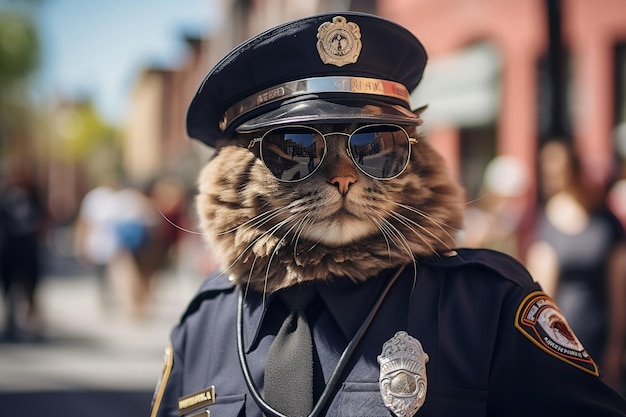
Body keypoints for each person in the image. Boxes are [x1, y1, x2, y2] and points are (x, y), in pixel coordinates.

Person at [150, 13, 626, 417]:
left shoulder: (488, 304)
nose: (342, 177)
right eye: (294, 148)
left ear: (416, 154)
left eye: (374, 146)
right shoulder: (203, 323)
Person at [526, 140, 626, 391]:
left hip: (600, 337)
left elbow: (619, 288)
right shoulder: (546, 220)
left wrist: (616, 345)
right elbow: (541, 291)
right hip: (560, 339)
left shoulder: (605, 221)